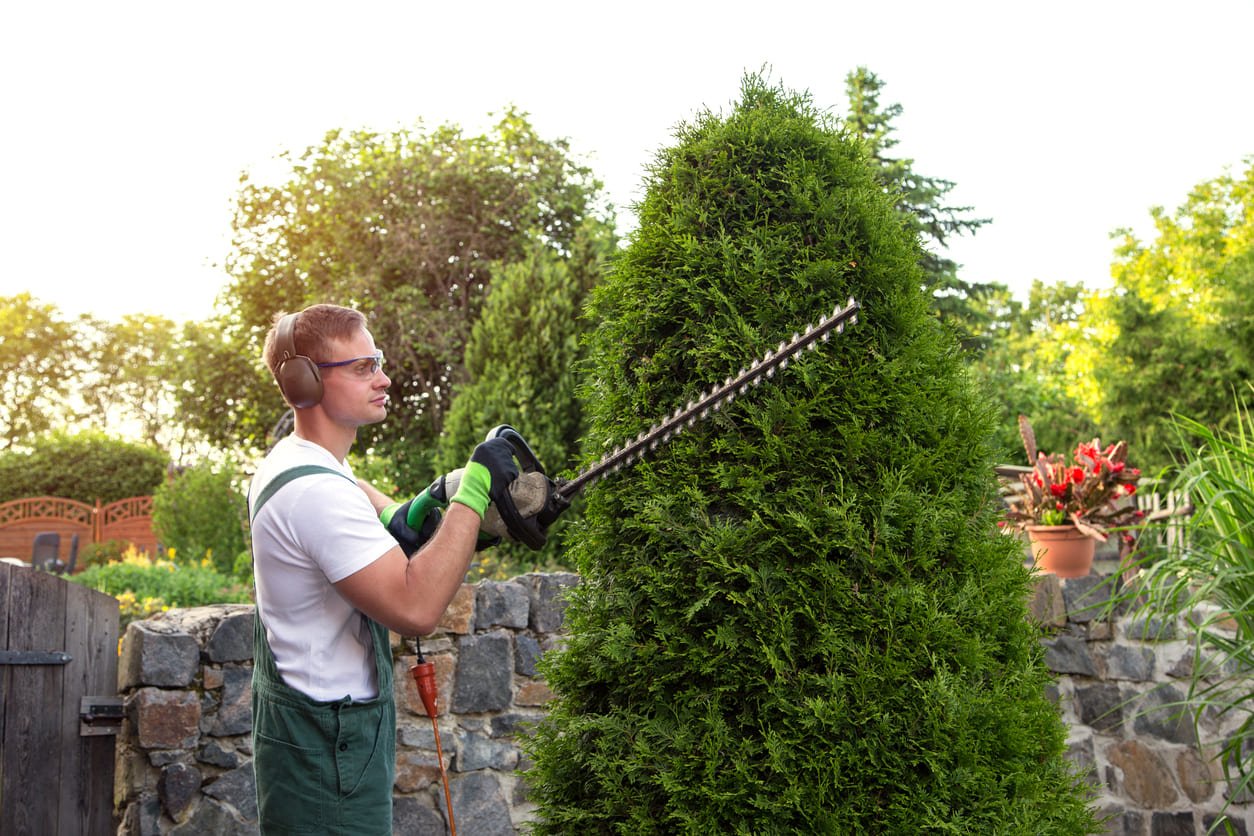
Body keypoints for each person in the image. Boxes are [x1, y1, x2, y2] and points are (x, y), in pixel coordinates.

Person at [247, 303, 518, 834]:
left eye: (378, 361)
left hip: (317, 739)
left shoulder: (299, 460)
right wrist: (474, 492)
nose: (384, 379)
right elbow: (416, 609)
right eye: (362, 367)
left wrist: (401, 512)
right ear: (305, 384)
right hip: (328, 757)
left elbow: (354, 491)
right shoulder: (315, 492)